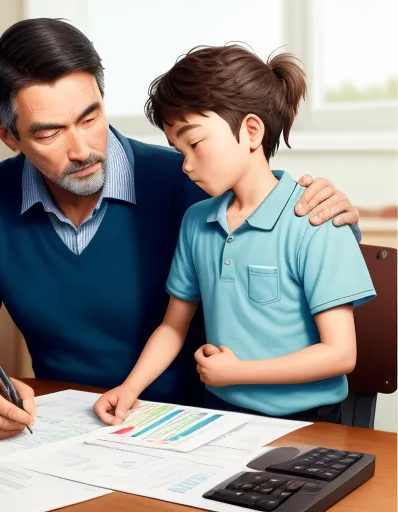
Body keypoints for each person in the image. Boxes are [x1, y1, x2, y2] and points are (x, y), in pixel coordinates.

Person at [0, 19, 362, 441]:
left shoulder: (187, 183)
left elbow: (284, 241)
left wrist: (332, 217)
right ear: (8, 136)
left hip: (203, 426)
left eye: (90, 116)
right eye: (48, 132)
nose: (81, 150)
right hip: (66, 430)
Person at [94, 44, 375, 425]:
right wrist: (129, 389)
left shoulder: (316, 220)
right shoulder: (197, 222)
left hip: (309, 421)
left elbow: (340, 354)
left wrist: (237, 373)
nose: (186, 165)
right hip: (219, 414)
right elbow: (173, 327)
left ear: (251, 130)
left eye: (194, 143)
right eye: (179, 151)